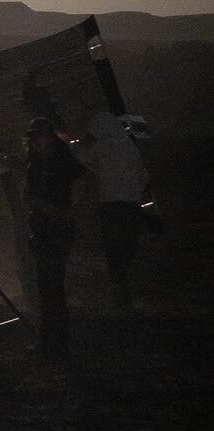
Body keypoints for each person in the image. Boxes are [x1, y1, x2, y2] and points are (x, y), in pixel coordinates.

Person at [25, 116, 88, 356]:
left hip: (57, 229)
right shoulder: (35, 164)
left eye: (39, 136)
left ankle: (56, 339)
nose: (36, 141)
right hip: (42, 228)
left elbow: (85, 180)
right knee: (46, 286)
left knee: (53, 285)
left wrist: (70, 209)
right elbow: (29, 195)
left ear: (50, 138)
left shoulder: (63, 161)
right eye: (33, 137)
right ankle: (50, 339)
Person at [79, 108, 150, 306]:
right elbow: (144, 176)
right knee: (128, 245)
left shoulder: (101, 146)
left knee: (114, 248)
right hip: (132, 204)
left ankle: (119, 290)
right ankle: (125, 288)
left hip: (110, 205)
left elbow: (82, 161)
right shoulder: (130, 146)